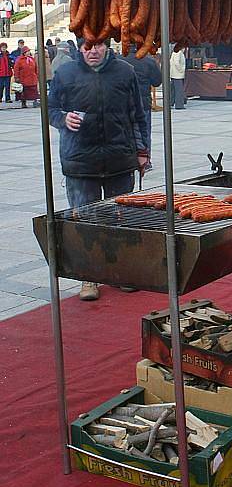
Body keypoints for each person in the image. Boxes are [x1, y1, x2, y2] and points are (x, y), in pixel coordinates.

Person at [48, 40, 149, 302]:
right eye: (87, 47)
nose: (93, 51)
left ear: (107, 47)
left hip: (119, 159)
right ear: (79, 49)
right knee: (85, 220)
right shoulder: (65, 73)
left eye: (98, 46)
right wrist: (62, 118)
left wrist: (142, 152)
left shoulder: (125, 71)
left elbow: (139, 114)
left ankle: (121, 271)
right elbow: (49, 108)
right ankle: (88, 277)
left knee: (121, 221)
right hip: (80, 162)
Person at [122, 43, 162, 156]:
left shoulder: (118, 61)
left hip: (122, 104)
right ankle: (146, 158)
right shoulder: (148, 61)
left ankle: (128, 158)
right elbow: (157, 81)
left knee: (124, 132)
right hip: (143, 103)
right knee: (144, 132)